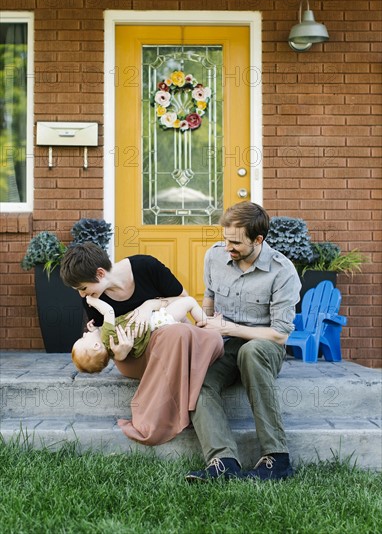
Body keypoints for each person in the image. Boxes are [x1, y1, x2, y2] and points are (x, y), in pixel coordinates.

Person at [60, 242, 224, 446]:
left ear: (100, 273)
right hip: (131, 357)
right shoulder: (92, 299)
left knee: (195, 336)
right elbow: (105, 347)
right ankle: (158, 419)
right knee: (176, 334)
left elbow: (183, 298)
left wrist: (149, 305)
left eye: (83, 288)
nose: (82, 295)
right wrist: (120, 354)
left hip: (167, 342)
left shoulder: (146, 267)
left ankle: (179, 397)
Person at [185, 201, 301, 482]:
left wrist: (230, 327)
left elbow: (280, 334)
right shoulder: (214, 256)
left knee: (250, 351)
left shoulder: (282, 271)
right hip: (224, 343)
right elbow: (209, 299)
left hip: (264, 346)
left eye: (235, 242)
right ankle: (223, 463)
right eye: (225, 239)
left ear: (258, 240)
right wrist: (206, 329)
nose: (227, 247)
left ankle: (277, 458)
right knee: (197, 378)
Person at [72, 294, 211, 374]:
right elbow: (108, 311)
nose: (84, 334)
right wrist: (91, 300)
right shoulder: (106, 335)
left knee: (182, 318)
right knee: (190, 302)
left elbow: (104, 335)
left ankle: (199, 336)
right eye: (83, 338)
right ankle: (209, 326)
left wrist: (93, 331)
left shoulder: (110, 347)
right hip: (156, 321)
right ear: (97, 345)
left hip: (155, 329)